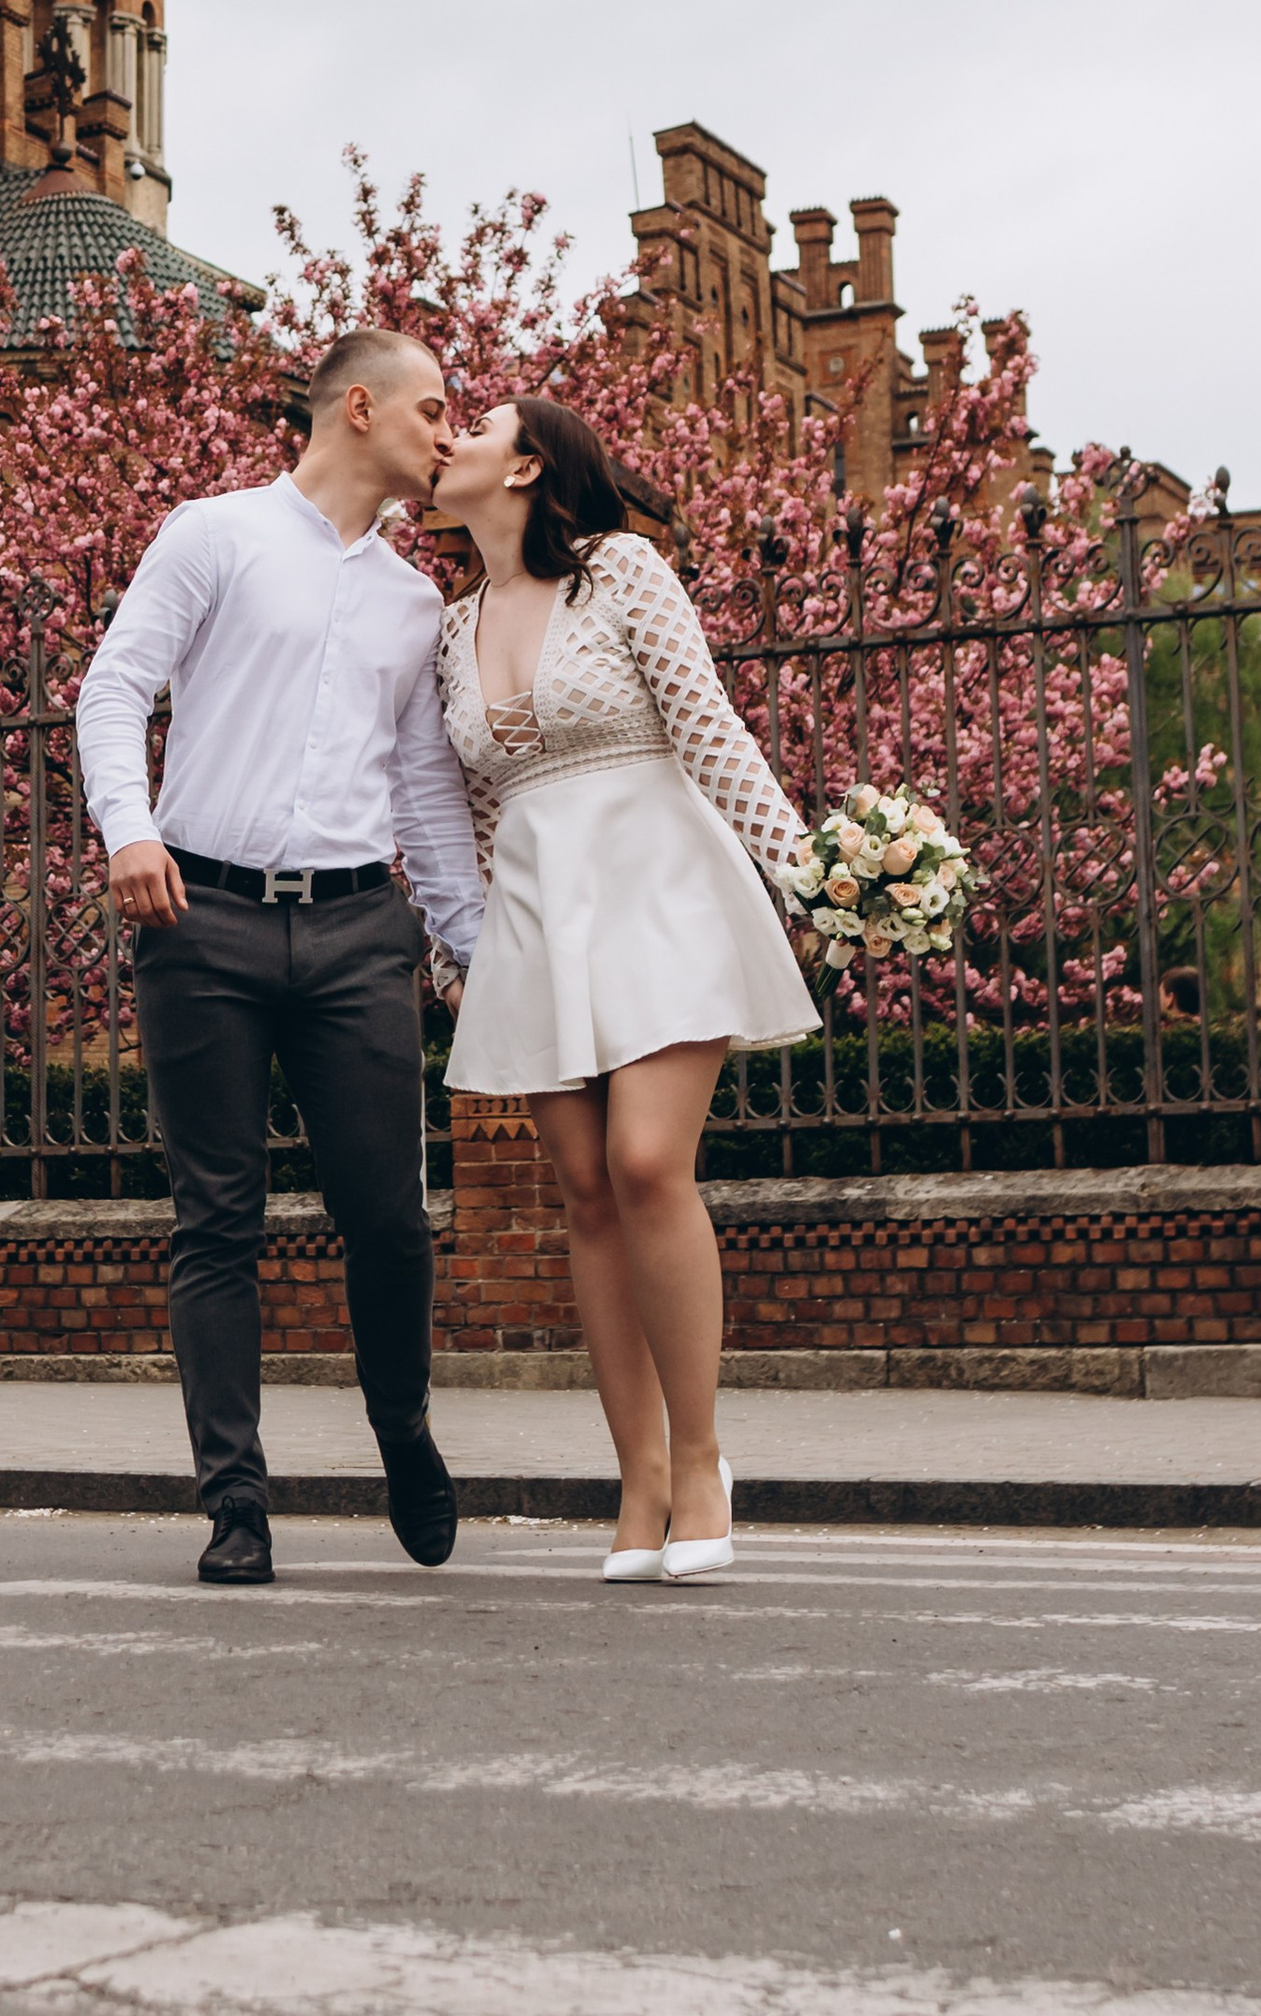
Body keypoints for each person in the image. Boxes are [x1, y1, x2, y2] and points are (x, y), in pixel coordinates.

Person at [76, 331, 487, 1586]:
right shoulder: (213, 535)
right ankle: (236, 1502)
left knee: (389, 1218)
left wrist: (472, 946)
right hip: (201, 917)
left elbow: (423, 789)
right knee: (218, 1218)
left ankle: (402, 1431)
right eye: (433, 409)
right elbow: (113, 688)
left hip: (360, 930)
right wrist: (130, 830)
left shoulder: (414, 604)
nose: (449, 433)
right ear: (359, 407)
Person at [433, 394, 815, 1583]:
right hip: (536, 918)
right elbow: (477, 810)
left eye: (473, 425)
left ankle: (700, 1462)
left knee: (648, 1164)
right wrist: (467, 949)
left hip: (658, 889)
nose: (446, 438)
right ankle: (638, 1478)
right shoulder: (449, 627)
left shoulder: (621, 571)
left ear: (526, 465)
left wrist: (813, 874)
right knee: (587, 1194)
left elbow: (709, 730)